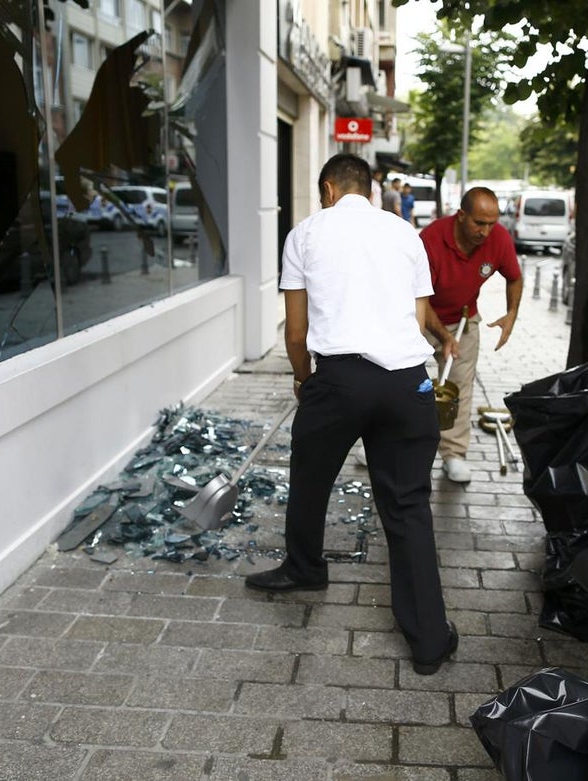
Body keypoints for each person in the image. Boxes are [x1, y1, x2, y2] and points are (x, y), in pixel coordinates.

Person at [244, 153, 457, 676]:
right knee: (408, 507)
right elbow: (418, 315)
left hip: (338, 380)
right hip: (409, 381)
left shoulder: (306, 234)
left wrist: (301, 376)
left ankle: (305, 567)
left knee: (310, 478)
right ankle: (429, 639)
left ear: (329, 189)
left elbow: (295, 333)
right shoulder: (407, 234)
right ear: (371, 189)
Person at [420, 187, 523, 483]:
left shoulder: (499, 238)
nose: (486, 231)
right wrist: (443, 336)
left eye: (492, 223)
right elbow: (420, 300)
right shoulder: (430, 239)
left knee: (458, 387)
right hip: (419, 317)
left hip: (464, 318)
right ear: (461, 215)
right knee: (401, 384)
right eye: (479, 223)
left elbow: (514, 277)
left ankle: (453, 454)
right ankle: (382, 442)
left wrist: (511, 314)